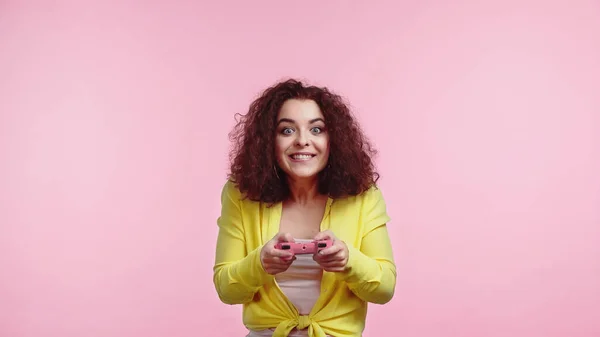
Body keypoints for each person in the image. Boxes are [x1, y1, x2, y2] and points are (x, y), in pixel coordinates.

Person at [213, 78, 396, 337]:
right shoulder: (240, 195)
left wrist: (348, 261)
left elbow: (385, 288)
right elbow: (226, 289)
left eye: (317, 129)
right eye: (287, 130)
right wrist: (260, 263)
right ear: (268, 141)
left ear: (334, 139)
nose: (302, 141)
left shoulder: (364, 196)